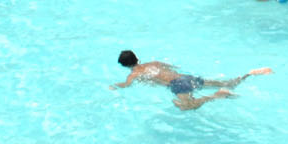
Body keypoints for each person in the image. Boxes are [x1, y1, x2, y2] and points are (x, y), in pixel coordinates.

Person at [113, 50, 272, 112]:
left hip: (177, 85)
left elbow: (126, 86)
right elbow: (173, 66)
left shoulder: (134, 74)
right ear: (137, 57)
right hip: (185, 78)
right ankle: (249, 74)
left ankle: (218, 95)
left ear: (125, 66)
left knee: (188, 106)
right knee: (228, 82)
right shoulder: (153, 63)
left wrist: (115, 86)